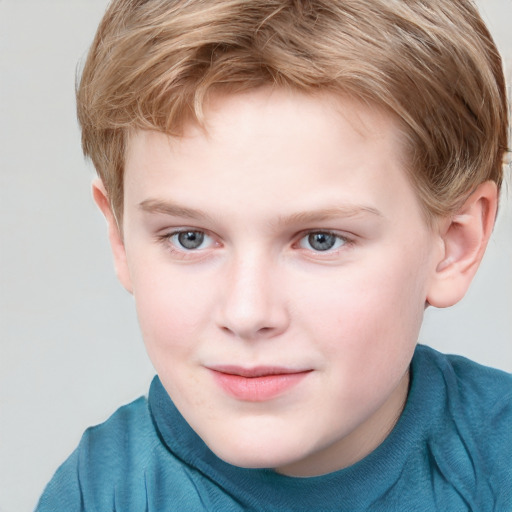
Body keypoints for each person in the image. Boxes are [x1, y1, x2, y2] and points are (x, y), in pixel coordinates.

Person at [36, 0, 511, 510]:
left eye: (320, 239)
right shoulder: (102, 494)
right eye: (189, 237)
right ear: (119, 236)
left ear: (453, 246)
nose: (247, 313)